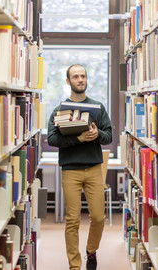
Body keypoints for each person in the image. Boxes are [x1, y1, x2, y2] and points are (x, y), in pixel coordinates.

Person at [47, 64, 112, 270]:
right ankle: (74, 266)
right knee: (72, 220)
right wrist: (78, 138)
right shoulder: (59, 110)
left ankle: (91, 251)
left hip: (94, 168)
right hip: (70, 170)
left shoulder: (98, 107)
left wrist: (97, 135)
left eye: (83, 76)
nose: (80, 79)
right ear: (68, 81)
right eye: (75, 76)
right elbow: (51, 139)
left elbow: (109, 135)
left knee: (98, 217)